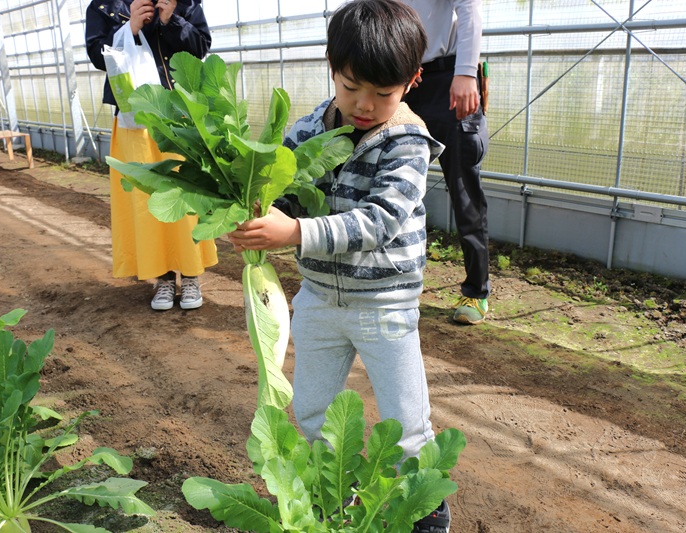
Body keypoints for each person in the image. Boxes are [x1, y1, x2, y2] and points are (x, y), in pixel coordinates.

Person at [227, 1, 450, 531]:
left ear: (412, 81)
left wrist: (296, 232)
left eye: (383, 93)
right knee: (311, 414)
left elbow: (379, 221)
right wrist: (252, 217)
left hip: (385, 305)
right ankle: (335, 504)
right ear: (331, 65)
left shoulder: (407, 142)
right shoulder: (307, 131)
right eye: (352, 89)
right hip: (320, 300)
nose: (365, 105)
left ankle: (425, 514)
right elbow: (279, 196)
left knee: (405, 424)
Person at [85, 0, 217, 310]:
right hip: (135, 121)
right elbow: (96, 55)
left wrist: (172, 20)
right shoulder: (104, 6)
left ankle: (192, 274)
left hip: (180, 119)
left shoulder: (184, 3)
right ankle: (163, 278)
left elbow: (200, 48)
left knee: (185, 196)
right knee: (147, 201)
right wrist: (128, 27)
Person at [401, 0, 491, 325]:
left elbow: (469, 7)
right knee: (395, 184)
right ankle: (395, 282)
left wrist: (466, 71)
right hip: (402, 81)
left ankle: (476, 291)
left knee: (464, 190)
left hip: (448, 78)